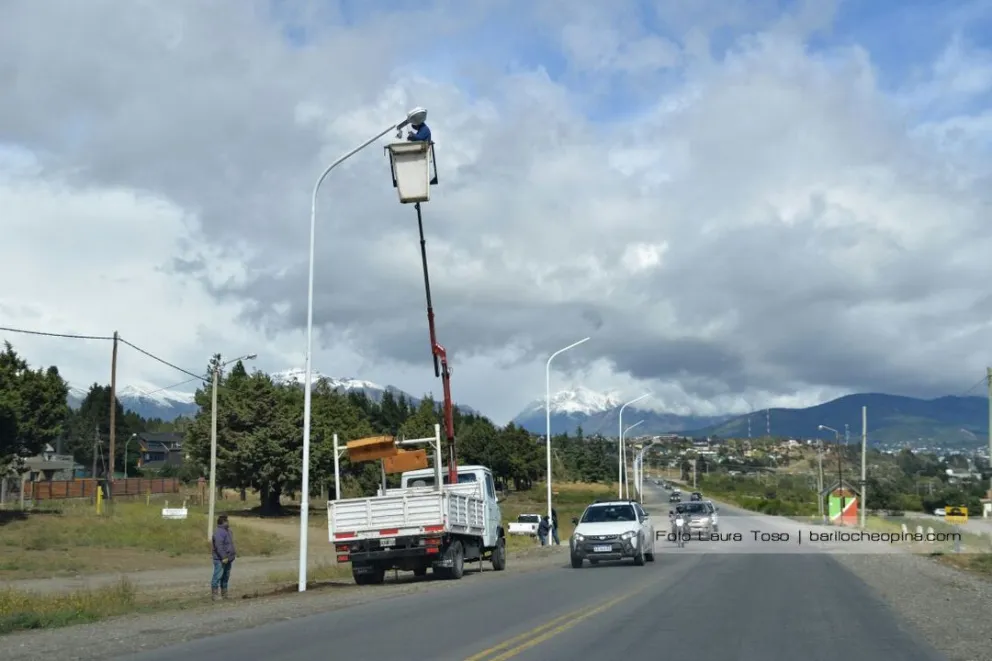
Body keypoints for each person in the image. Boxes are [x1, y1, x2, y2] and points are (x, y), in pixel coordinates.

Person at [211, 514, 236, 600]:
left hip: (229, 558)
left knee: (226, 577)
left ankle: (224, 594)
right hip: (220, 559)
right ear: (223, 522)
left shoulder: (228, 531)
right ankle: (214, 595)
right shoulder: (218, 532)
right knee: (217, 576)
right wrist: (224, 557)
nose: (228, 522)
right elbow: (219, 546)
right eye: (227, 521)